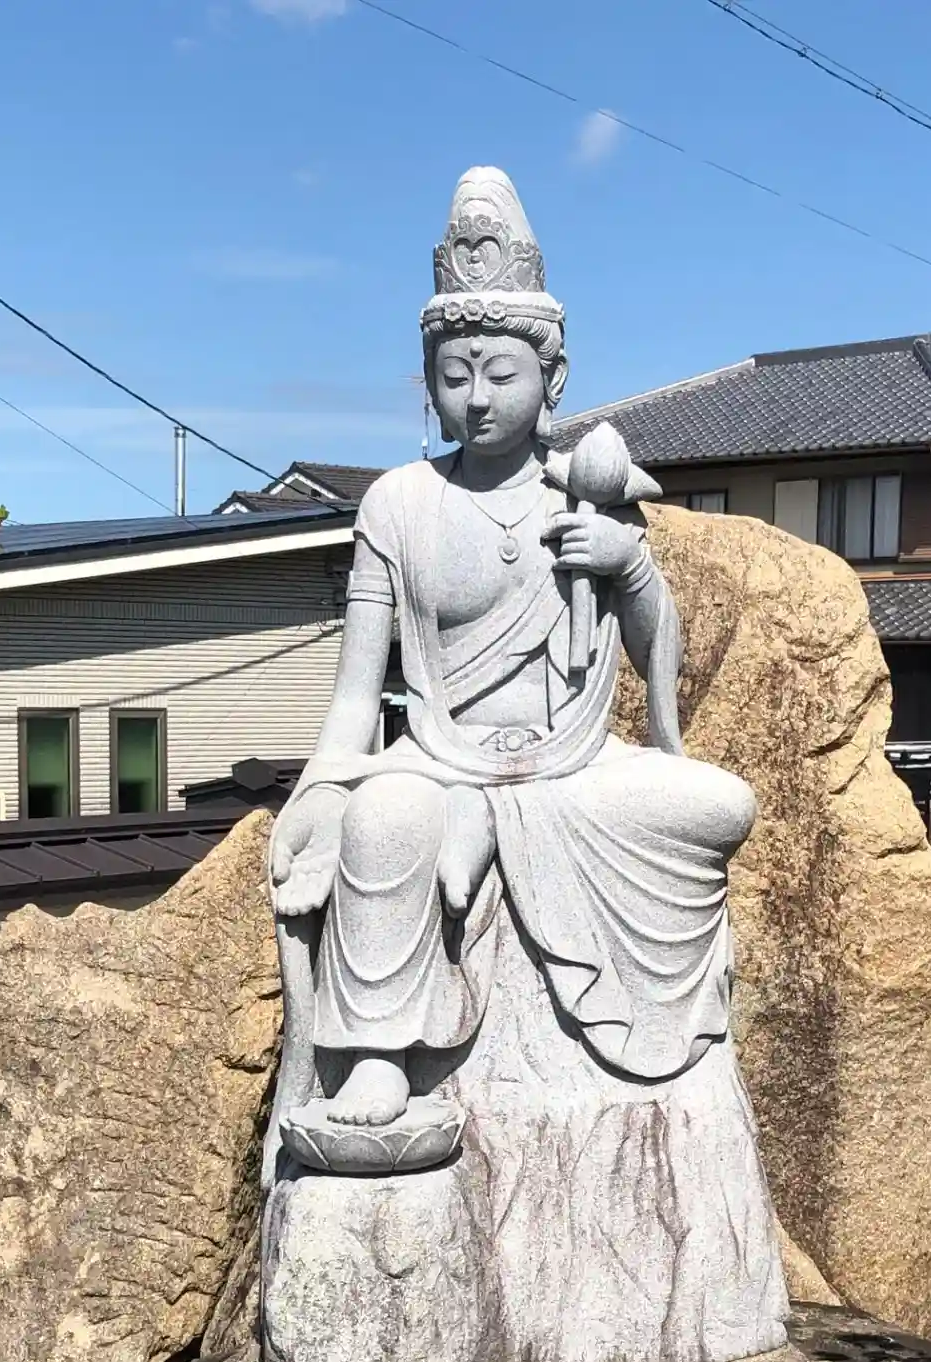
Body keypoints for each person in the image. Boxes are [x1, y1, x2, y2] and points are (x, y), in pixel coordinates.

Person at [265, 167, 756, 1169]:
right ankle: (378, 1057)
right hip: (442, 754)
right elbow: (357, 695)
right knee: (382, 818)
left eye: (500, 373)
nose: (478, 398)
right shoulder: (397, 505)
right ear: (429, 381)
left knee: (721, 804)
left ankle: (501, 836)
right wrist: (319, 788)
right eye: (455, 375)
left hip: (575, 764)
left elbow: (660, 664)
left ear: (552, 377)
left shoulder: (587, 498)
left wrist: (629, 569)